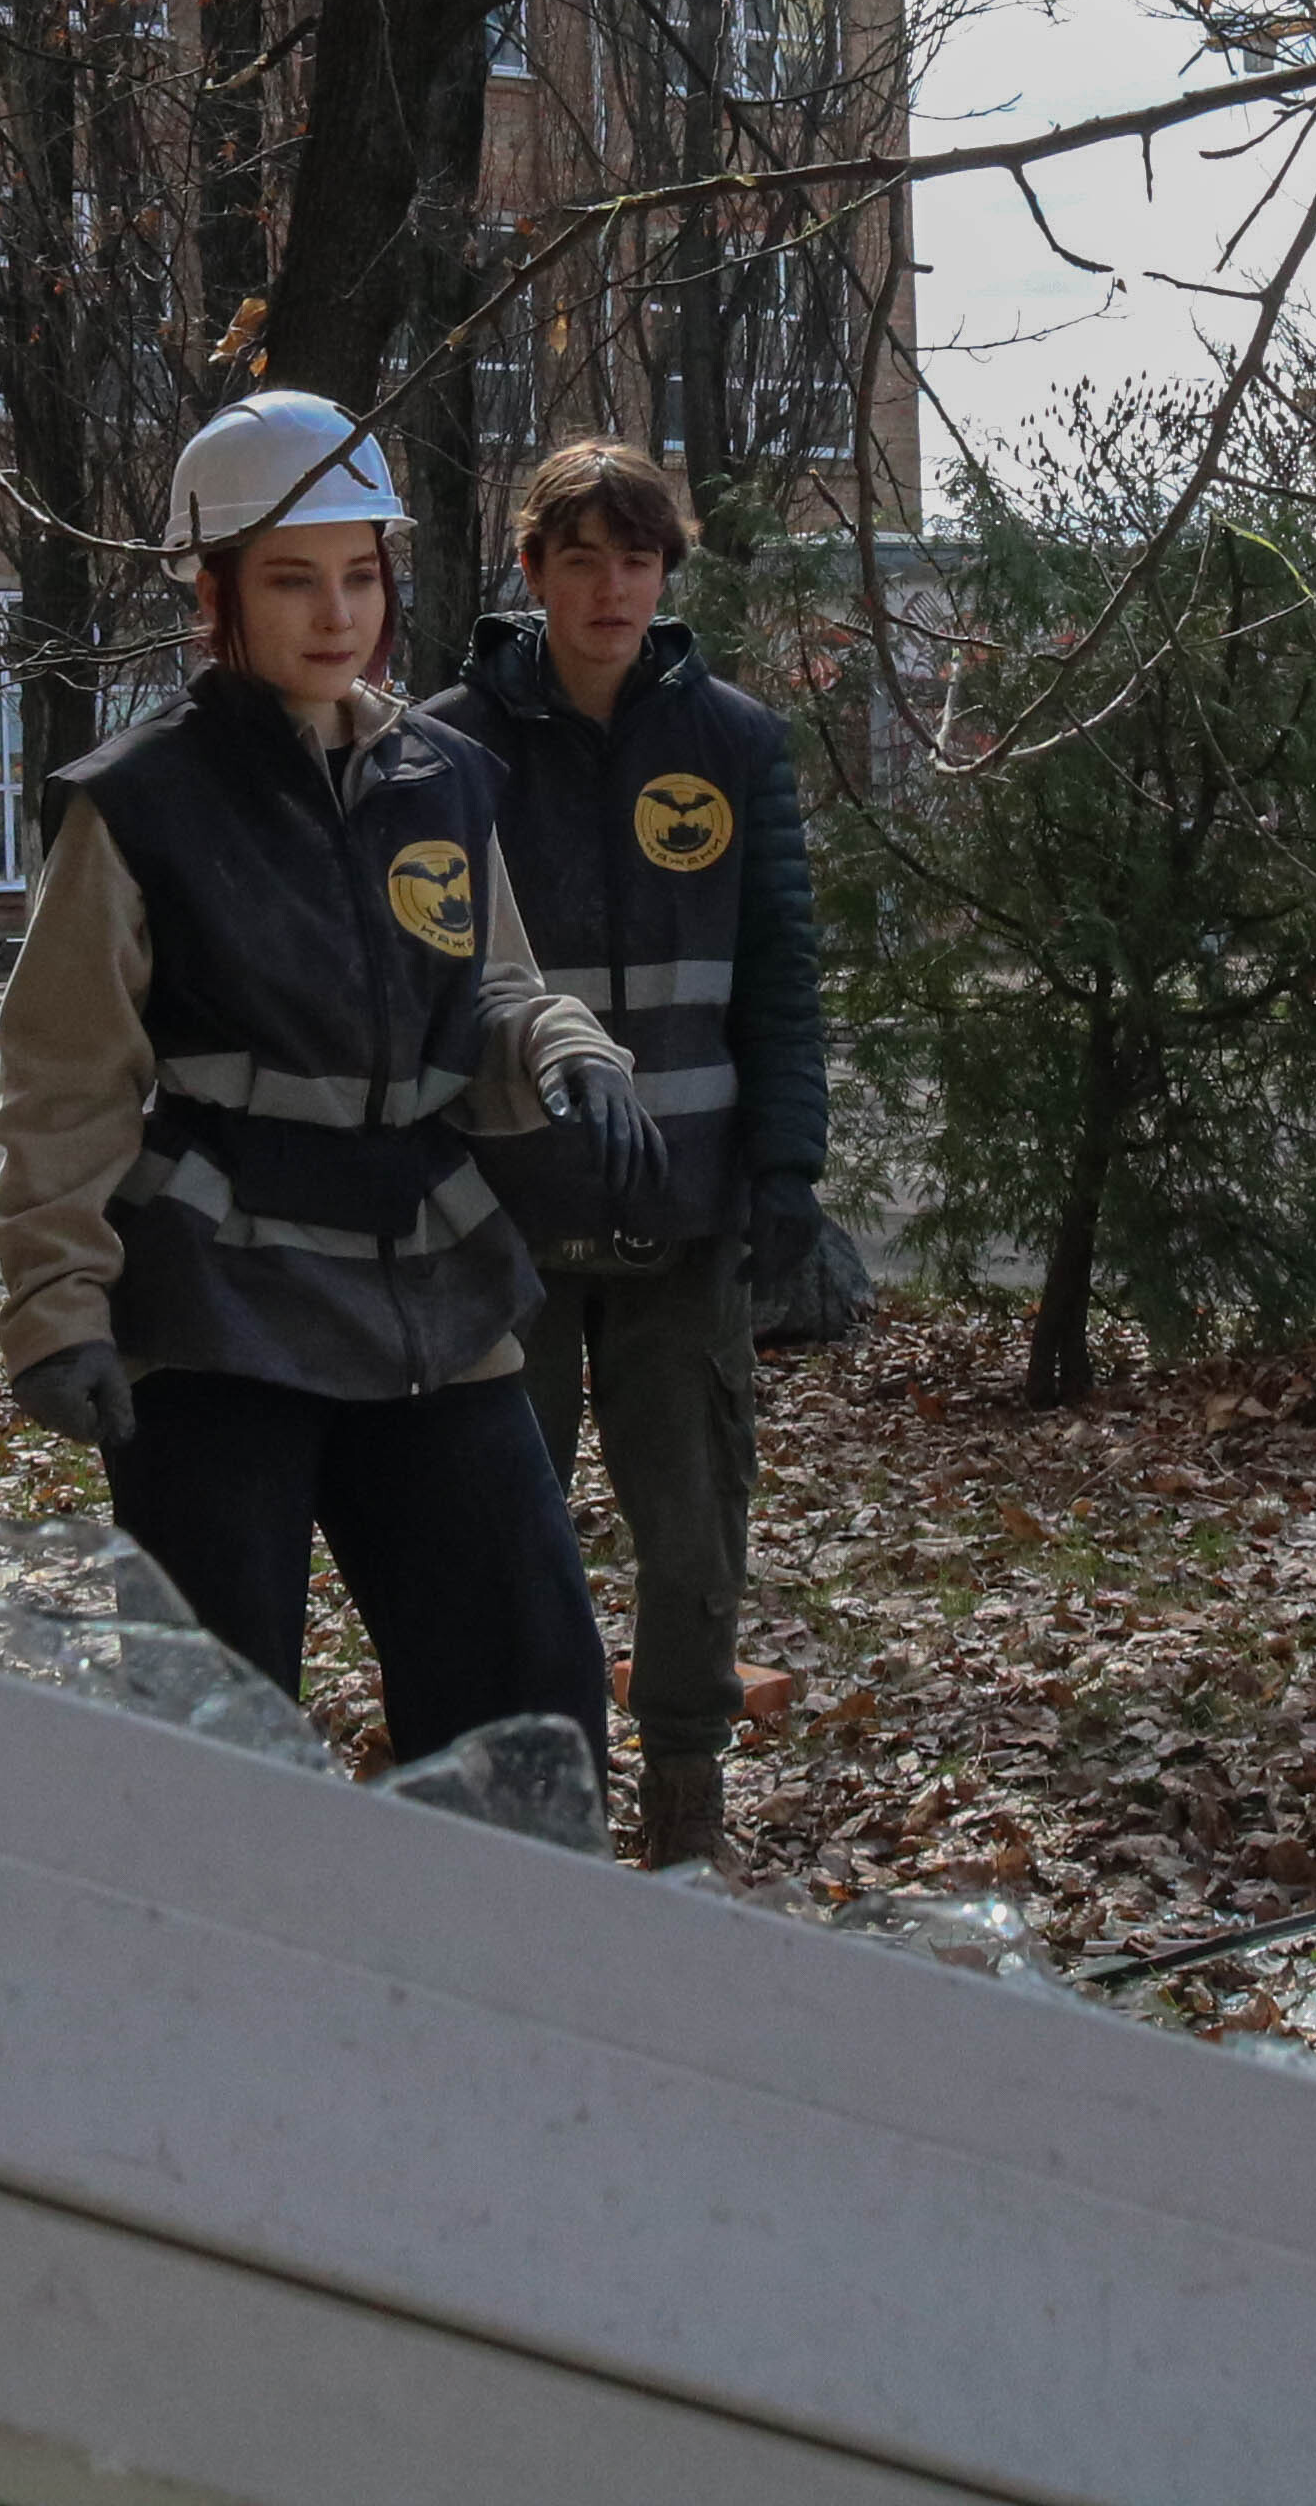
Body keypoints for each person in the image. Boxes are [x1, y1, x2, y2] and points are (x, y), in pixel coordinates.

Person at [0, 390, 663, 1775]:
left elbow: (498, 993)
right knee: (221, 1727)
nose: (336, 613)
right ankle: (231, 1979)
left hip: (433, 1290)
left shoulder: (446, 780)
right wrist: (56, 1309)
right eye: (294, 579)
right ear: (215, 590)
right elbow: (64, 1078)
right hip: (218, 1306)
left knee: (532, 1697)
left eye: (360, 576)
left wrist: (569, 1053)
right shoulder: (139, 804)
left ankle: (495, 1971)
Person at [437, 440, 832, 1872]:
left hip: (688, 1220)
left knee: (691, 1535)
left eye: (639, 558)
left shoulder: (736, 744)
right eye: (584, 558)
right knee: (506, 1540)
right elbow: (427, 996)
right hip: (508, 1224)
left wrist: (789, 1174)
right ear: (532, 569)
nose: (612, 588)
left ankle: (683, 1800)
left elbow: (781, 979)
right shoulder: (446, 749)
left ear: (670, 573)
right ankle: (533, 1803)